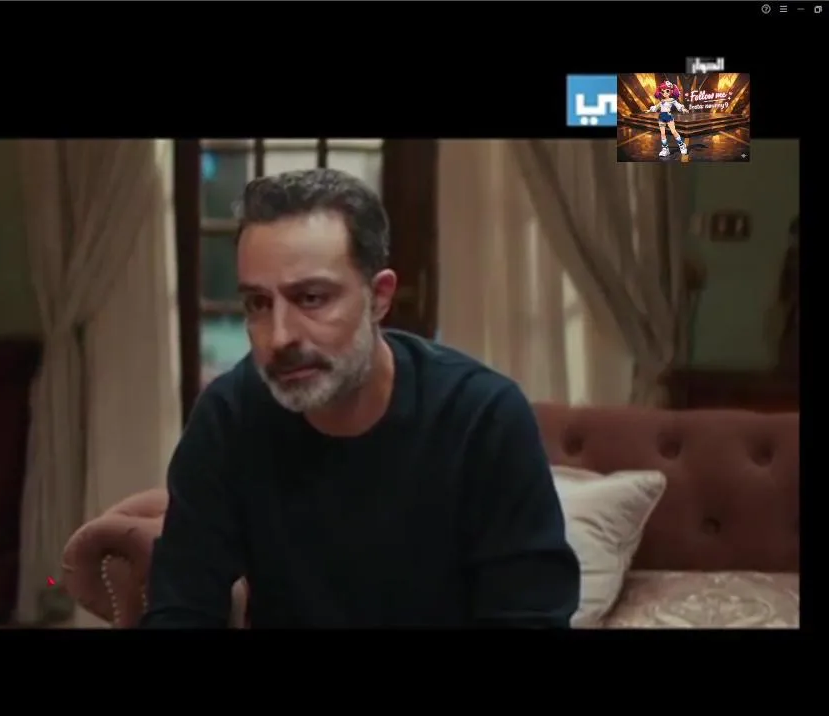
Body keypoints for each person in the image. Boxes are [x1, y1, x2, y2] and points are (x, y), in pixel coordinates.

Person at [141, 169, 580, 628]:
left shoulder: (481, 417)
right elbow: (181, 606)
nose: (280, 336)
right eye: (258, 304)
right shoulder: (229, 416)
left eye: (311, 297)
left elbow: (530, 615)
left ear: (379, 297)